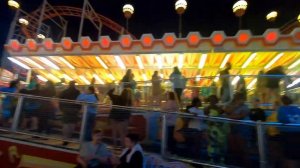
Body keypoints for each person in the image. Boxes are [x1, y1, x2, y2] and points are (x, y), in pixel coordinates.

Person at [224, 93, 251, 167]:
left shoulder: (245, 107)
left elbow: (241, 116)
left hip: (242, 129)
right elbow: (227, 111)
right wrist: (235, 108)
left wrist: (230, 116)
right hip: (233, 129)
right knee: (233, 149)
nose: (241, 101)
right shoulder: (232, 106)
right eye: (239, 99)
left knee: (243, 149)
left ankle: (245, 165)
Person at [277, 95, 300, 168]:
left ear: (282, 101)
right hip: (298, 134)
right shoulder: (297, 109)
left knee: (288, 156)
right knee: (296, 155)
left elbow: (281, 120)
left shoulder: (281, 109)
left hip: (287, 135)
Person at [204, 95, 227, 163]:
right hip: (211, 130)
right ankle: (211, 161)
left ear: (216, 101)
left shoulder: (219, 109)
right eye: (211, 100)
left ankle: (219, 161)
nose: (212, 102)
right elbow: (206, 119)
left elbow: (222, 119)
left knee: (218, 146)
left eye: (213, 100)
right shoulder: (207, 109)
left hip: (218, 131)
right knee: (211, 146)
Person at [59, 81, 80, 146]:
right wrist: (78, 109)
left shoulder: (64, 92)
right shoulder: (78, 92)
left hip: (66, 109)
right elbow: (80, 101)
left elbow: (60, 100)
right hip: (74, 110)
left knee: (66, 124)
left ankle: (65, 139)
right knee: (72, 124)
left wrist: (62, 108)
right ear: (74, 85)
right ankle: (69, 137)